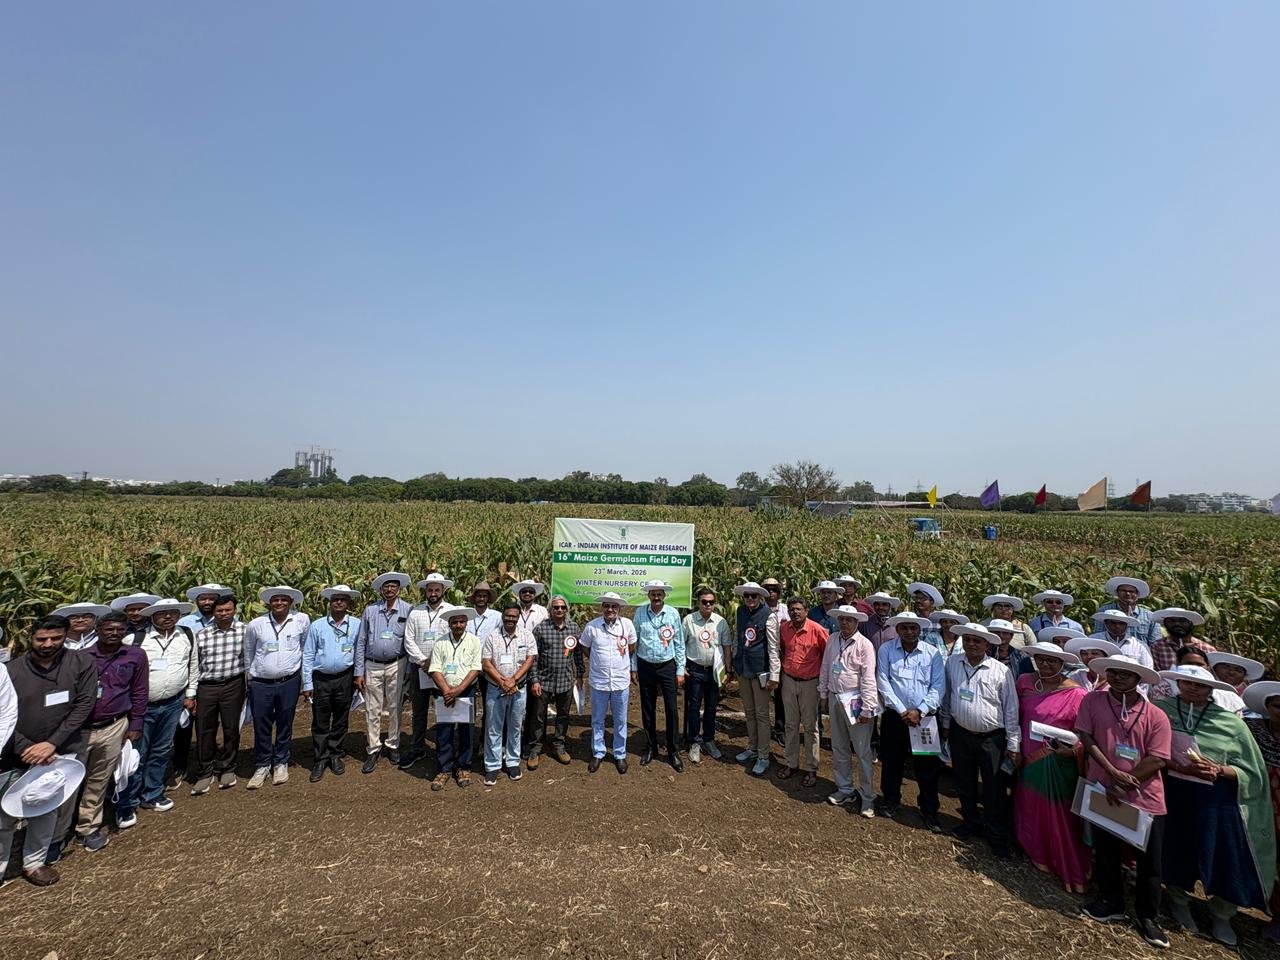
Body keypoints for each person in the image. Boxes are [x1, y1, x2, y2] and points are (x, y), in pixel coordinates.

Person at [1156, 664, 1276, 947]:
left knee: (1223, 855)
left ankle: (1223, 915)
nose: (1192, 688)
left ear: (1211, 689)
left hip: (1216, 801)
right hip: (1173, 793)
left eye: (1199, 685)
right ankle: (1178, 901)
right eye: (1186, 683)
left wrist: (1221, 770)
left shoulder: (1230, 723)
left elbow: (1252, 771)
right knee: (1176, 849)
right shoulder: (1161, 710)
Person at [1075, 655, 1171, 950]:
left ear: (1138, 680)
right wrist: (1112, 774)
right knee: (1106, 850)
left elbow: (1157, 758)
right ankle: (1111, 901)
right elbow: (1087, 738)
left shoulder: (1156, 715)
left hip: (1144, 798)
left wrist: (1122, 781)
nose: (1118, 678)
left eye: (1126, 675)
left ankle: (1147, 916)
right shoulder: (1093, 701)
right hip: (1104, 788)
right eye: (1114, 673)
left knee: (1149, 862)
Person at [1, 616, 96, 886]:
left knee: (46, 805)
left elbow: (83, 706)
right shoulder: (11, 670)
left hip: (60, 751)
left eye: (55, 638)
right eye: (41, 639)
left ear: (65, 636)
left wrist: (52, 743)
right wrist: (25, 746)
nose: (48, 644)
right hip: (14, 751)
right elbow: (3, 715)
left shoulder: (82, 663)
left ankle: (34, 863)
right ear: (30, 638)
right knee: (4, 814)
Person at [1012, 641, 1089, 892]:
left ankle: (1061, 859)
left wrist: (1073, 751)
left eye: (1052, 661)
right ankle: (1034, 850)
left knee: (1059, 814)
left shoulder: (1076, 694)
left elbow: (1084, 733)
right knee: (1030, 805)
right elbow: (1016, 715)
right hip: (1028, 756)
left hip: (1057, 761)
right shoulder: (1024, 682)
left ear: (1062, 664)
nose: (1045, 664)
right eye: (1041, 659)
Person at [941, 623, 1021, 858]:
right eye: (967, 640)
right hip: (960, 733)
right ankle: (969, 823)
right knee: (964, 782)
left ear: (987, 644)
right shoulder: (953, 663)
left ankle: (996, 835)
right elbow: (948, 696)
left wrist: (1013, 744)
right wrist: (946, 725)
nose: (971, 644)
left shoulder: (1000, 671)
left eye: (977, 641)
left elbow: (1011, 710)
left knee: (993, 787)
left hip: (991, 739)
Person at [117, 598, 198, 825]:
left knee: (162, 750)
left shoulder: (187, 636)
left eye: (172, 613)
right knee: (136, 754)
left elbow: (193, 666)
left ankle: (152, 793)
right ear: (152, 616)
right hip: (141, 707)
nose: (168, 617)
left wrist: (190, 694)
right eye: (162, 613)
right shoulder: (134, 640)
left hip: (174, 703)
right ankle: (128, 802)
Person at [74, 612, 146, 853]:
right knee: (68, 781)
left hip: (114, 725)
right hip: (79, 730)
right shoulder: (81, 657)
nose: (114, 633)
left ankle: (87, 828)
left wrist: (135, 724)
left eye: (119, 629)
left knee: (99, 780)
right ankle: (56, 835)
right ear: (98, 629)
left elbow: (139, 691)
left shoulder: (135, 655)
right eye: (109, 629)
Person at [875, 611, 945, 830]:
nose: (909, 631)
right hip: (895, 717)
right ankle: (890, 800)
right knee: (892, 761)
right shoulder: (886, 650)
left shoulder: (932, 654)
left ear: (919, 630)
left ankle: (929, 810)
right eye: (904, 627)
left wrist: (920, 711)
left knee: (927, 766)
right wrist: (903, 710)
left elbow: (938, 687)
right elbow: (883, 681)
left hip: (924, 719)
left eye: (913, 628)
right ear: (897, 630)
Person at [243, 586, 310, 789]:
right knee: (261, 724)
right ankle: (262, 764)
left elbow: (306, 649)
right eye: (275, 600)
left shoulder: (301, 621)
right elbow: (249, 652)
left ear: (290, 602)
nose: (279, 603)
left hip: (289, 682)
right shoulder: (256, 624)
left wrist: (305, 681)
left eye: (283, 599)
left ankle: (281, 761)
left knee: (285, 722)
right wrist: (250, 679)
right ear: (269, 603)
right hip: (261, 683)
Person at [171, 584, 233, 787]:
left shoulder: (230, 621)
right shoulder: (185, 623)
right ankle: (183, 766)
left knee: (223, 725)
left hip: (223, 682)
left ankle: (221, 765)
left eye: (210, 599)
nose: (206, 602)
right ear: (196, 601)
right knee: (187, 728)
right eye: (202, 599)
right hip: (193, 681)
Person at [819, 605, 878, 816]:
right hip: (835, 698)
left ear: (857, 622)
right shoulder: (833, 639)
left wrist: (867, 708)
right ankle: (845, 788)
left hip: (856, 701)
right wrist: (824, 693)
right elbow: (826, 666)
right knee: (839, 746)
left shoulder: (865, 645)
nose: (844, 623)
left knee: (862, 752)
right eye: (842, 619)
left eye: (849, 620)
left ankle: (868, 797)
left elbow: (869, 678)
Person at [355, 572, 412, 773]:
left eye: (393, 586)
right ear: (381, 589)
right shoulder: (370, 611)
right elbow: (361, 641)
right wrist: (358, 671)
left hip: (398, 663)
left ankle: (393, 744)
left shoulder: (407, 609)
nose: (389, 589)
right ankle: (373, 747)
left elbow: (410, 640)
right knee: (372, 707)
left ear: (398, 589)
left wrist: (410, 669)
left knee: (396, 706)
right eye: (386, 586)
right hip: (372, 664)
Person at [303, 585, 361, 782]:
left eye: (343, 599)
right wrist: (307, 683)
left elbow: (359, 652)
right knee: (320, 720)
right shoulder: (317, 626)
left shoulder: (356, 624)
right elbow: (308, 654)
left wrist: (359, 675)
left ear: (348, 603)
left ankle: (336, 754)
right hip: (321, 679)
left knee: (340, 718)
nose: (338, 602)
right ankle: (320, 758)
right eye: (335, 599)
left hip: (345, 677)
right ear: (330, 602)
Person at [191, 594, 247, 794]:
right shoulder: (203, 634)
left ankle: (228, 768)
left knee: (231, 727)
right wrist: (192, 692)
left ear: (234, 611)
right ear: (213, 612)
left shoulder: (244, 631)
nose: (224, 614)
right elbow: (195, 665)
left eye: (228, 610)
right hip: (206, 686)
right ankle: (205, 772)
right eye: (220, 611)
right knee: (204, 729)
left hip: (233, 683)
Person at [401, 572, 454, 770]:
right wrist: (423, 661)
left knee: (444, 711)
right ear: (426, 591)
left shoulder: (450, 611)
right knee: (419, 712)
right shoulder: (415, 612)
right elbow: (409, 640)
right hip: (420, 669)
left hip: (444, 671)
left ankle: (444, 749)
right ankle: (417, 748)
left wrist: (436, 664)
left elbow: (454, 638)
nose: (433, 593)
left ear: (443, 591)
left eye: (437, 590)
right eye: (430, 590)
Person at [579, 592, 636, 774]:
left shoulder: (627, 625)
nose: (610, 609)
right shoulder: (592, 627)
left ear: (619, 608)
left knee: (620, 720)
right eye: (606, 606)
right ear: (602, 607)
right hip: (599, 682)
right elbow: (585, 648)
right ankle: (598, 752)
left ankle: (620, 754)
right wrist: (598, 661)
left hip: (621, 681)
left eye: (614, 606)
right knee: (597, 720)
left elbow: (631, 647)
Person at [632, 579, 685, 771]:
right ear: (649, 596)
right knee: (648, 708)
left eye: (659, 593)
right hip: (645, 665)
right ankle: (651, 746)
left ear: (664, 595)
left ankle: (673, 750)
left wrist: (680, 669)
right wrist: (634, 667)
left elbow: (679, 642)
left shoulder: (672, 613)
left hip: (667, 666)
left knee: (671, 708)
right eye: (653, 594)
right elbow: (633, 642)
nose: (656, 597)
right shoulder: (640, 613)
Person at [427, 608, 482, 790]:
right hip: (444, 693)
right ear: (449, 624)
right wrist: (446, 690)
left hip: (465, 692)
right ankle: (444, 769)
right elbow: (435, 668)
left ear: (466, 622)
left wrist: (458, 690)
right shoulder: (440, 642)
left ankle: (464, 767)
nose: (458, 625)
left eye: (461, 622)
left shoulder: (474, 641)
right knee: (444, 732)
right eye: (454, 622)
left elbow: (475, 668)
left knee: (466, 731)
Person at [481, 604, 537, 785]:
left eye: (514, 616)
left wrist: (513, 680)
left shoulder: (527, 636)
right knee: (493, 728)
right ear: (502, 616)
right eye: (507, 616)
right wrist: (502, 682)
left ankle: (513, 761)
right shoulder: (492, 636)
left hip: (518, 689)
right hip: (496, 688)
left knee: (515, 726)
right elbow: (486, 663)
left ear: (518, 617)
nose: (510, 619)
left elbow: (529, 659)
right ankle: (492, 765)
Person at [525, 595, 583, 767]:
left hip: (565, 681)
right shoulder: (541, 629)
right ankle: (535, 748)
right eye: (556, 607)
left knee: (563, 715)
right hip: (544, 681)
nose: (559, 610)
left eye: (562, 608)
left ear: (567, 610)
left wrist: (579, 675)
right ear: (550, 609)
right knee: (538, 716)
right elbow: (533, 658)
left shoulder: (573, 627)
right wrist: (534, 680)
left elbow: (578, 654)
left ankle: (559, 744)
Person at [1243, 681, 1280, 943]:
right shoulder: (1252, 730)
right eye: (1278, 706)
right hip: (1258, 801)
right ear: (1267, 707)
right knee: (1258, 854)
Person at [777, 597, 827, 786]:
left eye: (799, 609)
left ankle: (811, 768)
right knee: (790, 724)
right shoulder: (784, 629)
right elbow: (782, 650)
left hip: (810, 684)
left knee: (810, 727)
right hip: (789, 681)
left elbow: (826, 654)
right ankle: (791, 763)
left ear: (806, 611)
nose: (795, 612)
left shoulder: (817, 630)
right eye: (792, 609)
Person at [732, 582, 780, 777]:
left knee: (761, 715)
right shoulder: (740, 612)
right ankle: (752, 748)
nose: (750, 599)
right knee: (749, 712)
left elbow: (773, 647)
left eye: (753, 596)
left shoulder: (769, 616)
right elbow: (738, 637)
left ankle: (763, 755)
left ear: (760, 597)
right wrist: (734, 661)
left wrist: (774, 675)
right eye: (747, 596)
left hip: (760, 671)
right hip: (744, 669)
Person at [681, 586, 732, 763]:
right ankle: (694, 742)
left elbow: (726, 647)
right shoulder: (689, 620)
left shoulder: (721, 622)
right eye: (704, 602)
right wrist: (681, 666)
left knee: (711, 707)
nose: (708, 605)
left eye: (711, 602)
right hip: (694, 670)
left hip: (714, 671)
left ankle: (709, 740)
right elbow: (681, 645)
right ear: (698, 603)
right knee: (694, 707)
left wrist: (728, 671)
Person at [1097, 576, 1162, 649]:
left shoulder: (1150, 616)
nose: (1127, 594)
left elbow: (1155, 643)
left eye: (1132, 591)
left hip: (1139, 656)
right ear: (1117, 592)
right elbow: (1098, 637)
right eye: (1123, 591)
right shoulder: (1104, 611)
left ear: (1137, 594)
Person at [1088, 611, 1155, 679]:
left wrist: (1137, 689)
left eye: (1121, 623)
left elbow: (1147, 670)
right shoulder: (1093, 640)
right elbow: (1084, 664)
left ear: (1127, 625)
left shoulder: (1139, 645)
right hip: (1097, 684)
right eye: (1113, 623)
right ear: (1105, 623)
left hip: (1130, 686)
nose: (1117, 626)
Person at [1149, 607, 1213, 671]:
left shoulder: (1206, 649)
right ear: (1165, 624)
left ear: (1191, 623)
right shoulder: (1157, 647)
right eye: (1171, 621)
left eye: (1182, 621)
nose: (1177, 624)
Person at [906, 582, 945, 652]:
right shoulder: (912, 620)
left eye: (923, 599)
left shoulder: (939, 621)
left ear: (932, 602)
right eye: (917, 598)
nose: (918, 601)